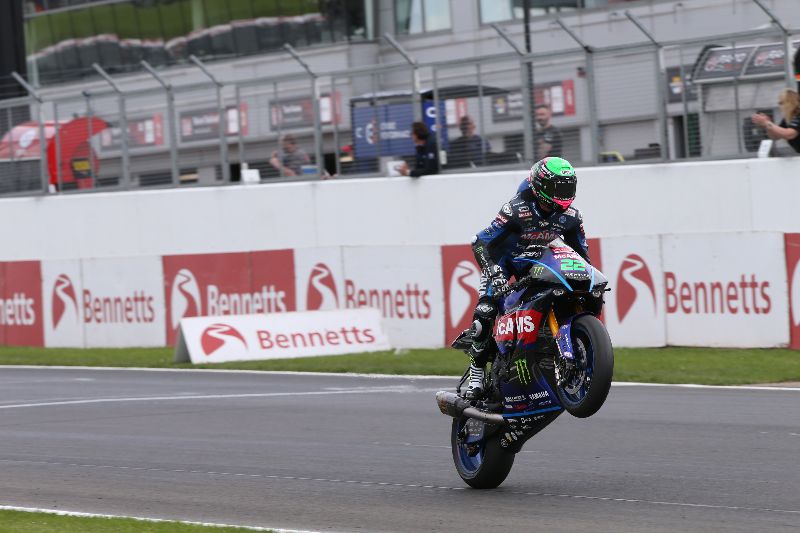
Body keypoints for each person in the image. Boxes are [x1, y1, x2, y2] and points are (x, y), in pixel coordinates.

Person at [459, 156, 590, 400]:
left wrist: (587, 276)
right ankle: (476, 373)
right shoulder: (516, 209)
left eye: (568, 187)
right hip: (504, 263)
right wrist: (494, 272)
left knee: (569, 292)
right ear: (542, 187)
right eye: (558, 188)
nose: (564, 194)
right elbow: (479, 241)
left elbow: (581, 253)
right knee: (485, 314)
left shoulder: (572, 216)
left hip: (536, 262)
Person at [751, 89, 800, 154]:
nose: (780, 107)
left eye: (781, 103)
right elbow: (775, 136)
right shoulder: (788, 118)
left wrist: (767, 122)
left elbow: (789, 134)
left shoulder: (798, 115)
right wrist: (768, 125)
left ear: (790, 102)